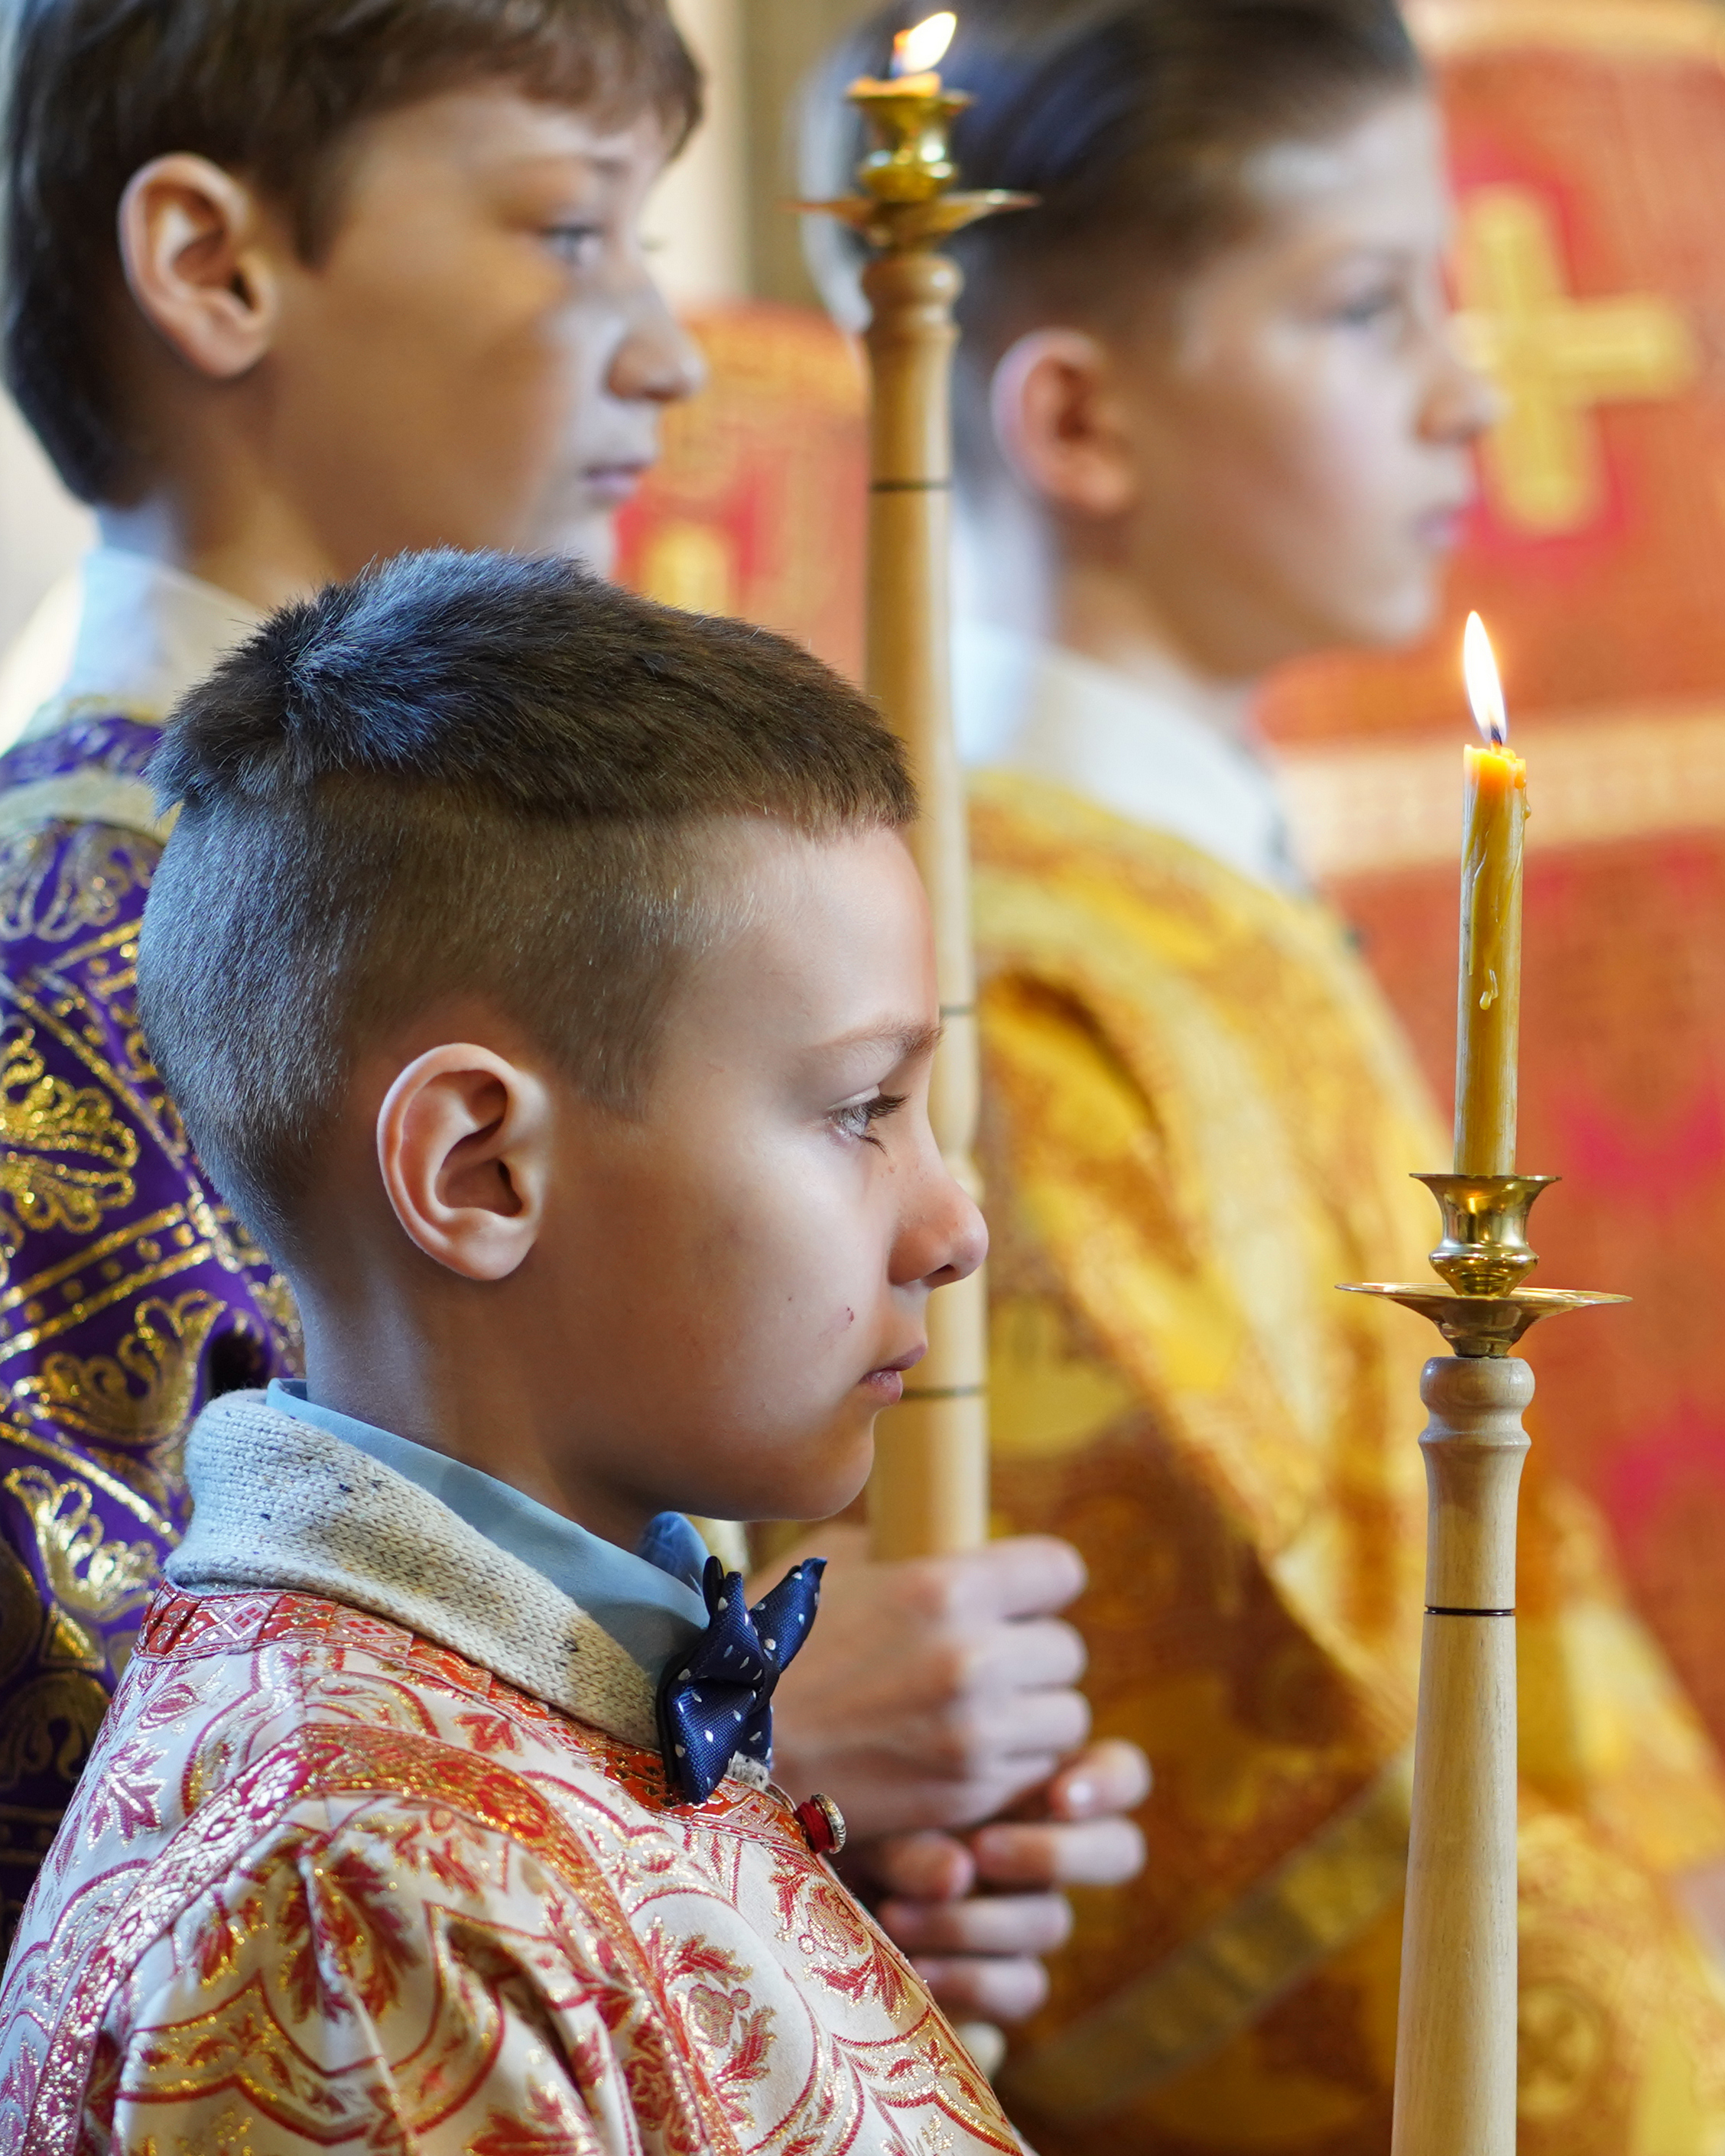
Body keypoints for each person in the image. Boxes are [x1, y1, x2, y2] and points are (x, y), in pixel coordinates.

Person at [0, 548, 1592, 2156]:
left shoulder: (568, 1728)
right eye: (858, 1109)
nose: (952, 1218)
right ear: (478, 1171)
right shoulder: (356, 1893)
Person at [801, 3, 1725, 2156]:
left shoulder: (1201, 894)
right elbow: (1210, 1706)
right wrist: (1685, 2027)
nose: (1466, 393)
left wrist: (1723, 1900)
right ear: (1077, 413)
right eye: (1365, 303)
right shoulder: (1021, 982)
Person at [0, 0, 1139, 2024]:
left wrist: (792, 1878)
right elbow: (140, 1872)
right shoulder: (65, 970)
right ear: (214, 266)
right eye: (565, 231)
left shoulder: (506, 870)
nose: (672, 348)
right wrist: (718, 1752)